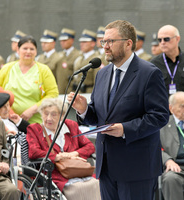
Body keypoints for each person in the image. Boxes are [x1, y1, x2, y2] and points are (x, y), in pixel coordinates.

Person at [68, 20, 170, 200]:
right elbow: (99, 116)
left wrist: (125, 129)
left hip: (136, 168)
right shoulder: (102, 73)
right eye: (103, 42)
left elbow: (160, 116)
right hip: (106, 165)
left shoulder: (149, 73)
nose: (105, 47)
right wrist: (84, 110)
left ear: (128, 43)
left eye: (110, 42)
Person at [26, 98, 101, 200]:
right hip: (53, 174)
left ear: (62, 115)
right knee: (77, 188)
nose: (48, 118)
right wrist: (58, 156)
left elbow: (90, 146)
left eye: (53, 114)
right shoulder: (35, 129)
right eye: (45, 113)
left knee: (97, 184)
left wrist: (74, 154)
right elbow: (34, 152)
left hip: (77, 171)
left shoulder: (71, 126)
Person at [0, 36, 59, 124]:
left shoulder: (44, 70)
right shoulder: (7, 68)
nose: (28, 51)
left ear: (36, 52)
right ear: (18, 50)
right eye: (25, 48)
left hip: (36, 123)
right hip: (8, 122)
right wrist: (10, 112)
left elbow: (53, 94)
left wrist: (33, 110)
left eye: (32, 49)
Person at [0, 92, 30, 166]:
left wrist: (19, 122)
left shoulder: (13, 121)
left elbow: (31, 132)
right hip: (7, 157)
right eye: (4, 107)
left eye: (8, 105)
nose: (7, 109)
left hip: (23, 156)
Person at [70, 29, 99, 93]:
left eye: (85, 42)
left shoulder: (96, 59)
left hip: (89, 92)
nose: (81, 44)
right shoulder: (79, 59)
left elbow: (97, 82)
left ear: (93, 43)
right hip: (78, 92)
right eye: (81, 42)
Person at [56, 28, 80, 94]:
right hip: (60, 88)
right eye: (61, 40)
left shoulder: (78, 55)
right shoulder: (59, 55)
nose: (62, 42)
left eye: (65, 40)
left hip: (71, 89)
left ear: (72, 40)